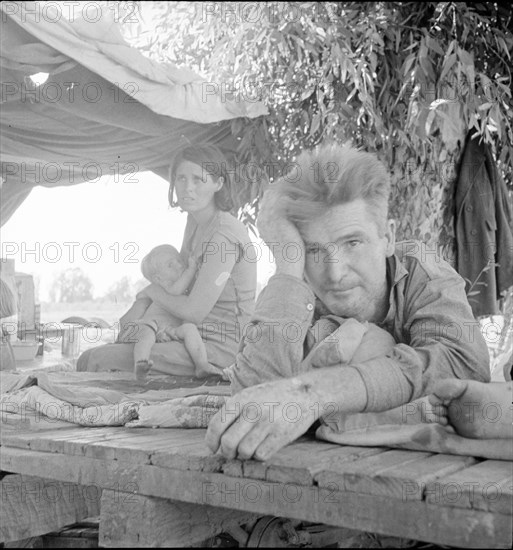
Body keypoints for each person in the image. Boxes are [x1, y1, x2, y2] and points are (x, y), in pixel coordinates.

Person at [206, 143, 491, 460]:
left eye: (352, 242)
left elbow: (464, 368)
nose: (334, 273)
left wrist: (314, 393)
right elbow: (249, 405)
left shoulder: (423, 271)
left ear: (388, 238)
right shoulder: (295, 288)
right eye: (313, 250)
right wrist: (288, 268)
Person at [77, 145, 257, 376]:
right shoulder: (194, 224)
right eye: (181, 178)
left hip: (222, 345)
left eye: (198, 180)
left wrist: (151, 292)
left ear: (218, 184)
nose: (187, 188)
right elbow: (177, 283)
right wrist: (140, 306)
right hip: (187, 333)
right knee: (99, 353)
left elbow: (193, 312)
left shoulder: (224, 234)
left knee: (98, 359)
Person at [119, 244, 221, 381]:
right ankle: (141, 364)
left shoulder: (184, 291)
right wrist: (191, 268)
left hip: (166, 330)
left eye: (178, 261)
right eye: (170, 265)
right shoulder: (166, 289)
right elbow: (176, 291)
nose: (178, 265)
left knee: (189, 329)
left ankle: (201, 365)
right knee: (148, 332)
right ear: (158, 279)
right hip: (146, 326)